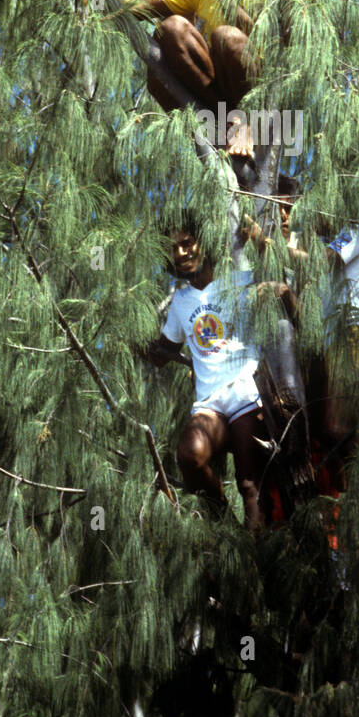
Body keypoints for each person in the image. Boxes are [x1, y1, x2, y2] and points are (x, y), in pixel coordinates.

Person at [145, 215, 271, 533]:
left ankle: (255, 554)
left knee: (249, 485)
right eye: (174, 249)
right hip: (210, 404)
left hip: (245, 390)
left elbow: (273, 263)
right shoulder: (180, 303)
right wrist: (134, 340)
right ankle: (225, 529)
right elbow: (164, 349)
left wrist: (250, 229)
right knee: (190, 456)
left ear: (202, 243)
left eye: (187, 243)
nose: (181, 253)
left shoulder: (237, 280)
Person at [122, 0, 272, 157]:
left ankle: (246, 123)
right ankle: (224, 122)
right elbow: (139, 8)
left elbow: (262, 37)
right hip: (219, 96)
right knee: (171, 27)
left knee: (226, 36)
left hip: (258, 87)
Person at [314, 221, 359, 492]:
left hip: (358, 334)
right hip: (337, 344)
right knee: (336, 426)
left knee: (356, 421)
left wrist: (270, 246)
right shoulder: (338, 240)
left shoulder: (357, 230)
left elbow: (323, 260)